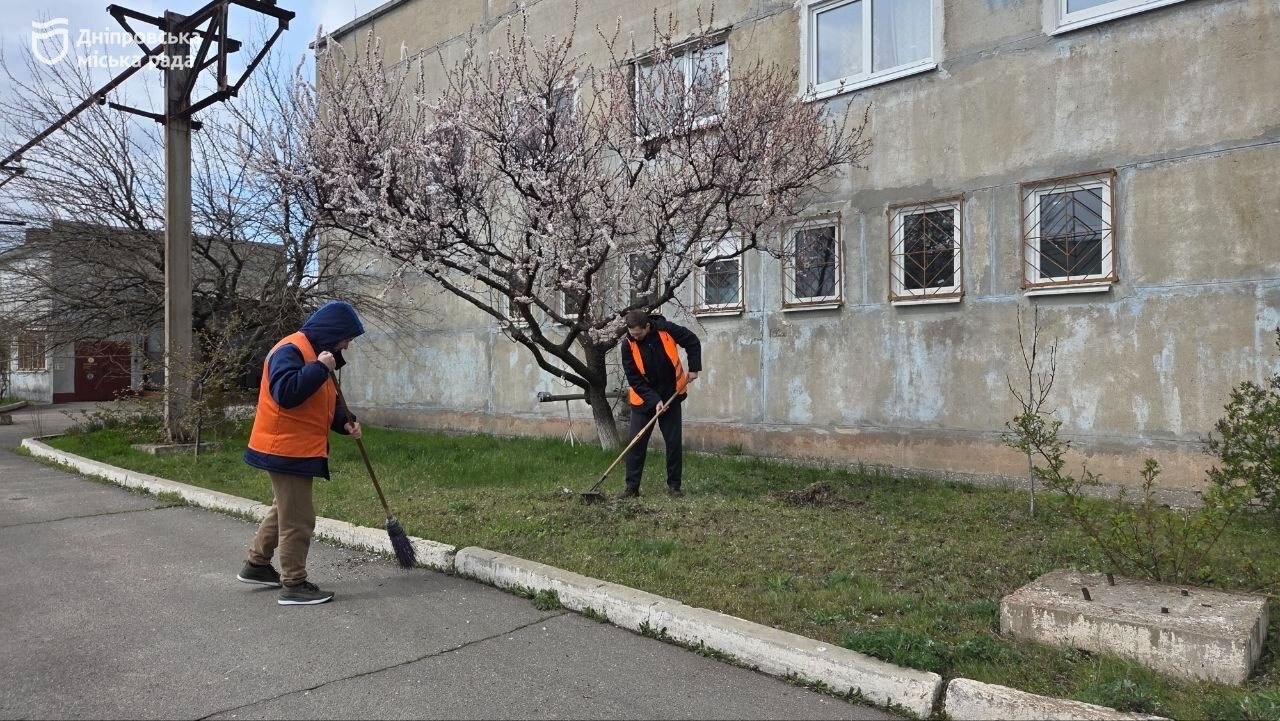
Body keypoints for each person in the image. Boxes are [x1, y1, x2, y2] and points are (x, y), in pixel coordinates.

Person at [236, 301, 365, 606]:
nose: (347, 345)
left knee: (285, 509)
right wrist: (320, 368)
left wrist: (345, 421)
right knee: (299, 518)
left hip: (294, 447)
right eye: (346, 338)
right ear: (332, 331)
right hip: (285, 448)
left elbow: (323, 399)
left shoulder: (318, 354)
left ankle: (256, 565)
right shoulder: (290, 350)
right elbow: (287, 393)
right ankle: (293, 584)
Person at [619, 309, 701, 498]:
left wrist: (694, 368)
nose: (635, 338)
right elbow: (634, 378)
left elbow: (692, 341)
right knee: (636, 443)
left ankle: (674, 486)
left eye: (638, 334)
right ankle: (631, 488)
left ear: (647, 326)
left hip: (671, 394)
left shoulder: (667, 329)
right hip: (643, 399)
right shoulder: (627, 344)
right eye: (632, 334)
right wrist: (654, 400)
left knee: (673, 442)